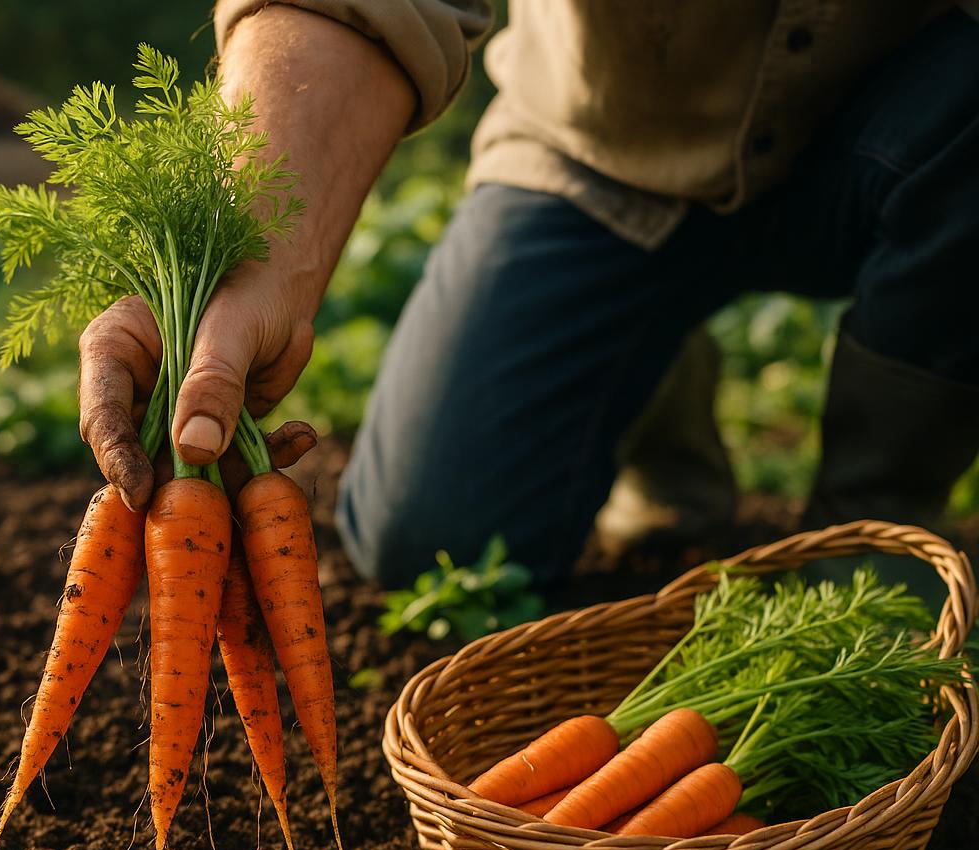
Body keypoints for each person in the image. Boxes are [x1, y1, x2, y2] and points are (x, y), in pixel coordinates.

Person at [76, 0, 979, 588]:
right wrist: (250, 243)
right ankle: (651, 359)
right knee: (434, 548)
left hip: (911, 135)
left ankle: (873, 531)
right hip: (600, 149)